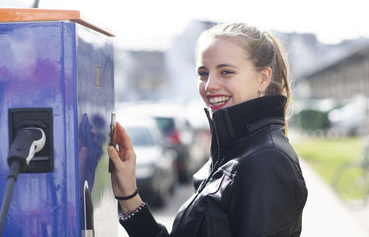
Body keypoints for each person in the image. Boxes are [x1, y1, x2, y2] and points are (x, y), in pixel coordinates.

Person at [107, 22, 308, 237]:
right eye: (203, 73)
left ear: (263, 78)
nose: (210, 85)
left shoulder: (266, 160)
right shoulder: (232, 151)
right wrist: (128, 195)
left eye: (226, 72)